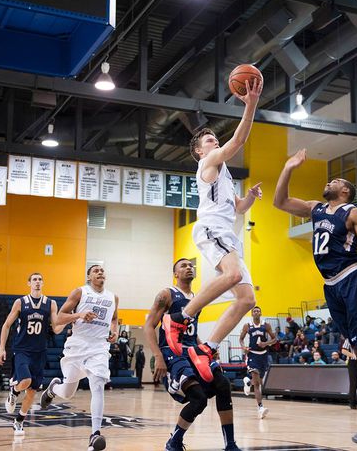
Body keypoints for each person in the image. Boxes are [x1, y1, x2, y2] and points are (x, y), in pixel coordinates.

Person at [273, 148, 357, 450]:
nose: (330, 181)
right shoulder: (316, 209)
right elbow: (279, 202)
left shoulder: (353, 213)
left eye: (335, 180)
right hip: (330, 286)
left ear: (344, 191)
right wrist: (288, 166)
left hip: (352, 278)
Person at [161, 78, 263, 383]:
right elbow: (239, 142)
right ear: (198, 151)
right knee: (231, 276)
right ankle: (180, 318)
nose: (214, 141)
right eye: (208, 140)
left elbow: (239, 208)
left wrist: (250, 199)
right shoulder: (208, 162)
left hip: (225, 231)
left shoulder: (224, 174)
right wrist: (251, 104)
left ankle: (207, 347)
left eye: (214, 139)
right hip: (210, 228)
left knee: (247, 300)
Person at [143, 258, 241, 451]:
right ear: (176, 274)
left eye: (191, 265)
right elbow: (148, 326)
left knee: (222, 385)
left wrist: (207, 349)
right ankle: (174, 441)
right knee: (198, 399)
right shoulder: (167, 295)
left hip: (193, 351)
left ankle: (230, 444)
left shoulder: (198, 298)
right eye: (184, 266)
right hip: (173, 352)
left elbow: (192, 333)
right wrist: (158, 356)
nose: (189, 267)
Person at [39, 265, 118, 451]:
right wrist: (80, 314)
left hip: (99, 346)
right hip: (78, 344)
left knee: (98, 384)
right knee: (67, 393)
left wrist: (114, 332)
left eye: (102, 270)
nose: (100, 272)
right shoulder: (80, 292)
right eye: (96, 270)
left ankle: (95, 434)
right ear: (89, 276)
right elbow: (58, 319)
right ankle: (53, 389)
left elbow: (114, 318)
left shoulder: (113, 297)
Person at [0, 272, 63, 437]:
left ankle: (19, 421)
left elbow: (56, 329)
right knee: (26, 381)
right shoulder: (20, 302)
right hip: (22, 350)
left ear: (43, 283)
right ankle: (13, 390)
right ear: (29, 283)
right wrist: (1, 349)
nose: (38, 282)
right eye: (34, 279)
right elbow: (6, 326)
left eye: (40, 279)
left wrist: (70, 321)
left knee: (32, 392)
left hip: (39, 352)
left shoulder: (51, 303)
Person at [239, 305, 277, 419]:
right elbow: (241, 339)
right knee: (257, 384)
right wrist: (243, 347)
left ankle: (247, 382)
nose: (256, 312)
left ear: (260, 313)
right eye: (254, 311)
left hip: (263, 356)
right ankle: (260, 407)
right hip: (252, 355)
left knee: (259, 382)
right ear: (252, 314)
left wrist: (265, 344)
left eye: (258, 311)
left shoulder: (266, 325)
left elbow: (275, 339)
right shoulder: (247, 326)